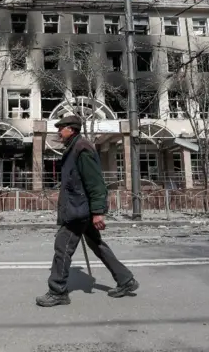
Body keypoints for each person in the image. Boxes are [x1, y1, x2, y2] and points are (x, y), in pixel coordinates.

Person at [36, 115, 139, 307]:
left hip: (79, 210)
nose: (59, 131)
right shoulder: (74, 147)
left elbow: (95, 182)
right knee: (98, 245)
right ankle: (126, 280)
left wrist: (98, 211)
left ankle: (57, 291)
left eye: (61, 128)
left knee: (62, 246)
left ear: (72, 129)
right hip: (79, 207)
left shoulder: (82, 149)